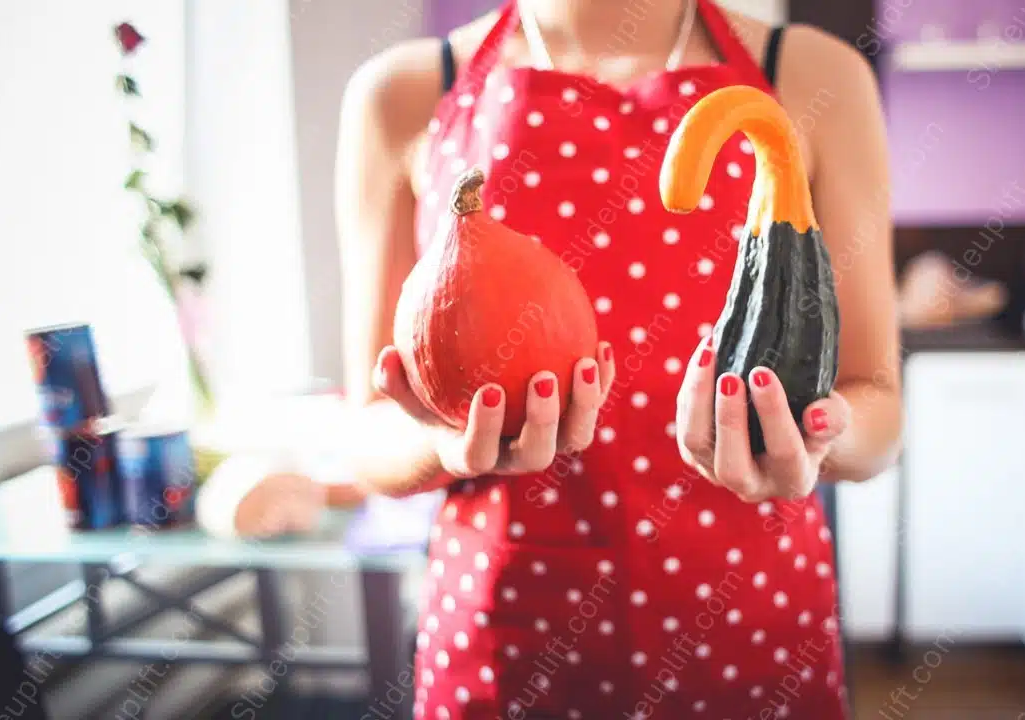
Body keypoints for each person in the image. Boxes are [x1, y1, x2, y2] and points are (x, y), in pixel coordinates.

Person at [334, 0, 901, 717]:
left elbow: (878, 406)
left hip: (751, 634)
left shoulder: (819, 77)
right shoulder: (404, 92)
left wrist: (819, 437)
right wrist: (445, 441)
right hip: (510, 641)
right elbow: (366, 435)